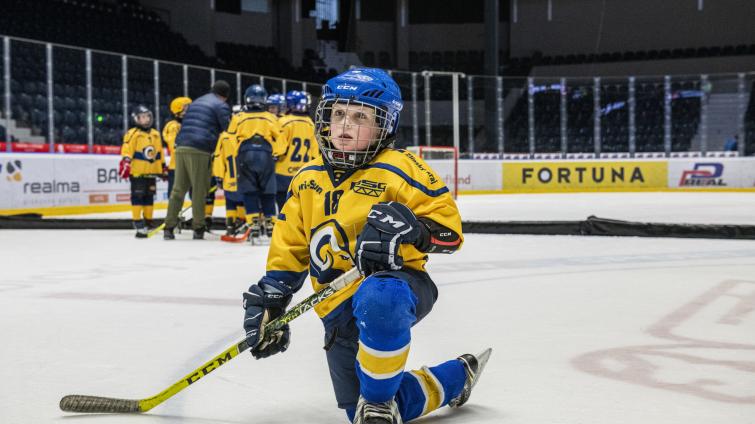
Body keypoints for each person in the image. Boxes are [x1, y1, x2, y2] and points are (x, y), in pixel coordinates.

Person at [241, 68, 491, 424]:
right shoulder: (307, 178)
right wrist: (273, 295)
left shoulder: (403, 169)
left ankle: (378, 397)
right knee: (363, 410)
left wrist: (414, 230)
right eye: (338, 113)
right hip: (335, 309)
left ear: (384, 126)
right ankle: (455, 377)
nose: (345, 124)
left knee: (380, 300)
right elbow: (291, 245)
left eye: (361, 116)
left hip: (398, 286)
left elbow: (450, 234)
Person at [164, 81, 231, 240]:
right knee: (200, 190)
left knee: (178, 189)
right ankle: (198, 227)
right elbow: (228, 129)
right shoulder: (220, 105)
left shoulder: (197, 101)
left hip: (181, 146)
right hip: (200, 148)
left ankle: (169, 227)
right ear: (225, 96)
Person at [227, 84, 284, 240]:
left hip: (245, 155)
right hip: (266, 155)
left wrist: (237, 152)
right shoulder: (271, 117)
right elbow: (281, 138)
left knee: (249, 190)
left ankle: (253, 224)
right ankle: (271, 223)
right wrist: (277, 153)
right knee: (268, 191)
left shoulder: (238, 117)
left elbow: (230, 138)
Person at [119, 105, 164, 238]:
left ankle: (149, 221)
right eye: (142, 117)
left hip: (151, 172)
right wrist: (126, 161)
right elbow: (127, 148)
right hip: (137, 172)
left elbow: (159, 152)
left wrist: (163, 167)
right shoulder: (133, 133)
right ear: (136, 119)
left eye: (147, 116)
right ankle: (137, 221)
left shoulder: (156, 134)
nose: (146, 119)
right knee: (138, 196)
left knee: (149, 197)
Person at [274, 90, 319, 211]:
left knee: (282, 206)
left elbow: (279, 150)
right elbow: (315, 153)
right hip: (302, 171)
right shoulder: (311, 124)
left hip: (283, 171)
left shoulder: (283, 122)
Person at [212, 130, 245, 235]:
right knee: (244, 202)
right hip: (245, 179)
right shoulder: (247, 134)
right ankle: (242, 223)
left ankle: (230, 225)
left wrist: (219, 177)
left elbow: (218, 158)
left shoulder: (224, 137)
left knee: (231, 203)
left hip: (229, 180)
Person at [162, 96, 192, 196]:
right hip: (178, 167)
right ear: (178, 111)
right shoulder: (173, 126)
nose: (190, 110)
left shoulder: (189, 125)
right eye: (186, 108)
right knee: (175, 197)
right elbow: (175, 147)